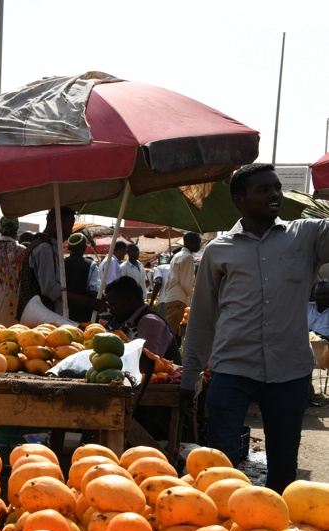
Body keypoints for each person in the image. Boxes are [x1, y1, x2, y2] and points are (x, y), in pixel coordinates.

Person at [181, 163, 329, 491]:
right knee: (219, 464)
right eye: (263, 189)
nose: (274, 194)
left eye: (276, 188)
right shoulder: (218, 251)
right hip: (231, 369)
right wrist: (188, 377)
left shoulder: (307, 236)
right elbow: (203, 317)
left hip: (289, 372)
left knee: (283, 465)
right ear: (239, 200)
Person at [103, 276, 180, 361]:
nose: (110, 311)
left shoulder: (150, 323)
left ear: (130, 301)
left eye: (113, 305)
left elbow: (146, 362)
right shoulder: (137, 320)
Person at [24, 206, 76, 315]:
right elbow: (50, 288)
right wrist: (87, 301)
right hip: (41, 316)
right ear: (56, 223)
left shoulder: (45, 245)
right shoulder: (44, 248)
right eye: (69, 226)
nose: (70, 232)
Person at [159, 232, 201, 338]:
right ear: (191, 243)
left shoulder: (177, 255)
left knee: (171, 330)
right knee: (170, 332)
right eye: (198, 243)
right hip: (179, 298)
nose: (200, 246)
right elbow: (186, 283)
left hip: (173, 297)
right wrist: (193, 297)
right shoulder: (187, 257)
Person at [62, 233, 100, 322]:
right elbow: (94, 289)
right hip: (85, 315)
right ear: (85, 248)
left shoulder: (61, 263)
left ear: (68, 248)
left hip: (64, 312)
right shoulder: (91, 265)